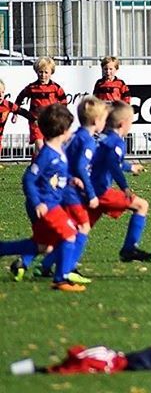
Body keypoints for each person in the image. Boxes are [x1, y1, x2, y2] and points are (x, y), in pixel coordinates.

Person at [22, 96, 109, 283]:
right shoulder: (86, 140)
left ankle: (30, 263)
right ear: (96, 121)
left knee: (51, 237)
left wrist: (71, 179)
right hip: (68, 195)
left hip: (63, 191)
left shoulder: (74, 136)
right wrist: (91, 193)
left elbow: (68, 166)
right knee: (80, 228)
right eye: (104, 119)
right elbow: (79, 166)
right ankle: (66, 269)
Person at [0, 104, 86, 292]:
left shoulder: (59, 151)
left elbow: (54, 176)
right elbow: (29, 179)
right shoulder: (46, 154)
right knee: (70, 233)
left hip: (52, 203)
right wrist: (37, 202)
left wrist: (71, 180)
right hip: (47, 205)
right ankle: (61, 279)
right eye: (69, 128)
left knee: (43, 246)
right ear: (62, 131)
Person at [90, 101, 151, 262]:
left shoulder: (102, 139)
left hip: (90, 189)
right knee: (142, 205)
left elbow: (110, 161)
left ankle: (45, 263)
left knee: (79, 229)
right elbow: (113, 165)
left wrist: (130, 167)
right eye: (131, 121)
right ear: (123, 123)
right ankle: (129, 248)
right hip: (101, 191)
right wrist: (124, 187)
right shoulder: (117, 142)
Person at [12, 56, 68, 154]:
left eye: (46, 72)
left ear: (51, 73)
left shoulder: (56, 88)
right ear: (36, 72)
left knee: (49, 147)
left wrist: (60, 116)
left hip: (50, 121)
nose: (43, 75)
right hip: (35, 121)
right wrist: (15, 113)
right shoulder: (32, 87)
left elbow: (64, 101)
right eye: (40, 72)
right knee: (40, 146)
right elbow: (20, 98)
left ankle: (37, 162)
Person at [0, 78, 32, 157]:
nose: (0, 95)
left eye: (2, 92)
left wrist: (35, 119)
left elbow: (23, 112)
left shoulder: (7, 105)